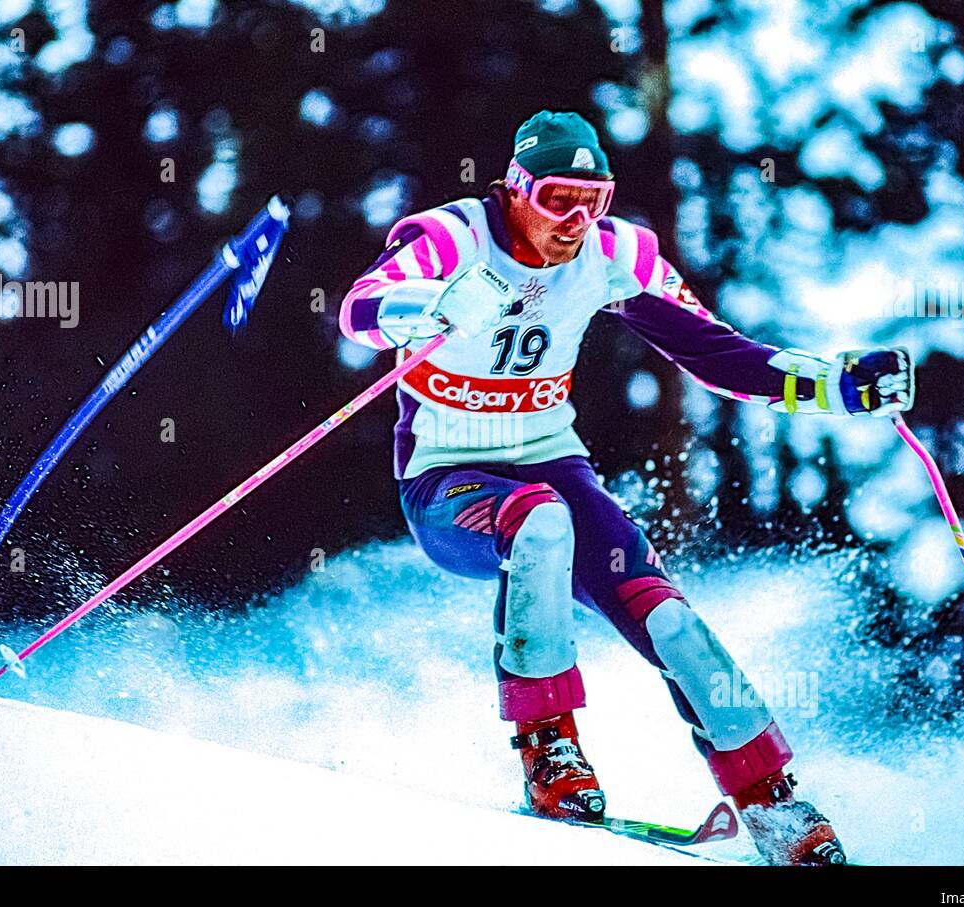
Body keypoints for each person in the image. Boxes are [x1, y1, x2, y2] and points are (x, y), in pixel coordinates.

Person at [339, 110, 913, 865]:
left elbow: (716, 353)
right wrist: (431, 308)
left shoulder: (617, 255)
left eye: (594, 199)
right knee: (538, 523)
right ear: (516, 189)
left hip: (552, 463)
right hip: (448, 480)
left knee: (668, 616)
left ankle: (773, 801)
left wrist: (836, 388)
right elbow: (357, 312)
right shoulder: (452, 239)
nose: (576, 220)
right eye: (556, 199)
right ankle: (550, 752)